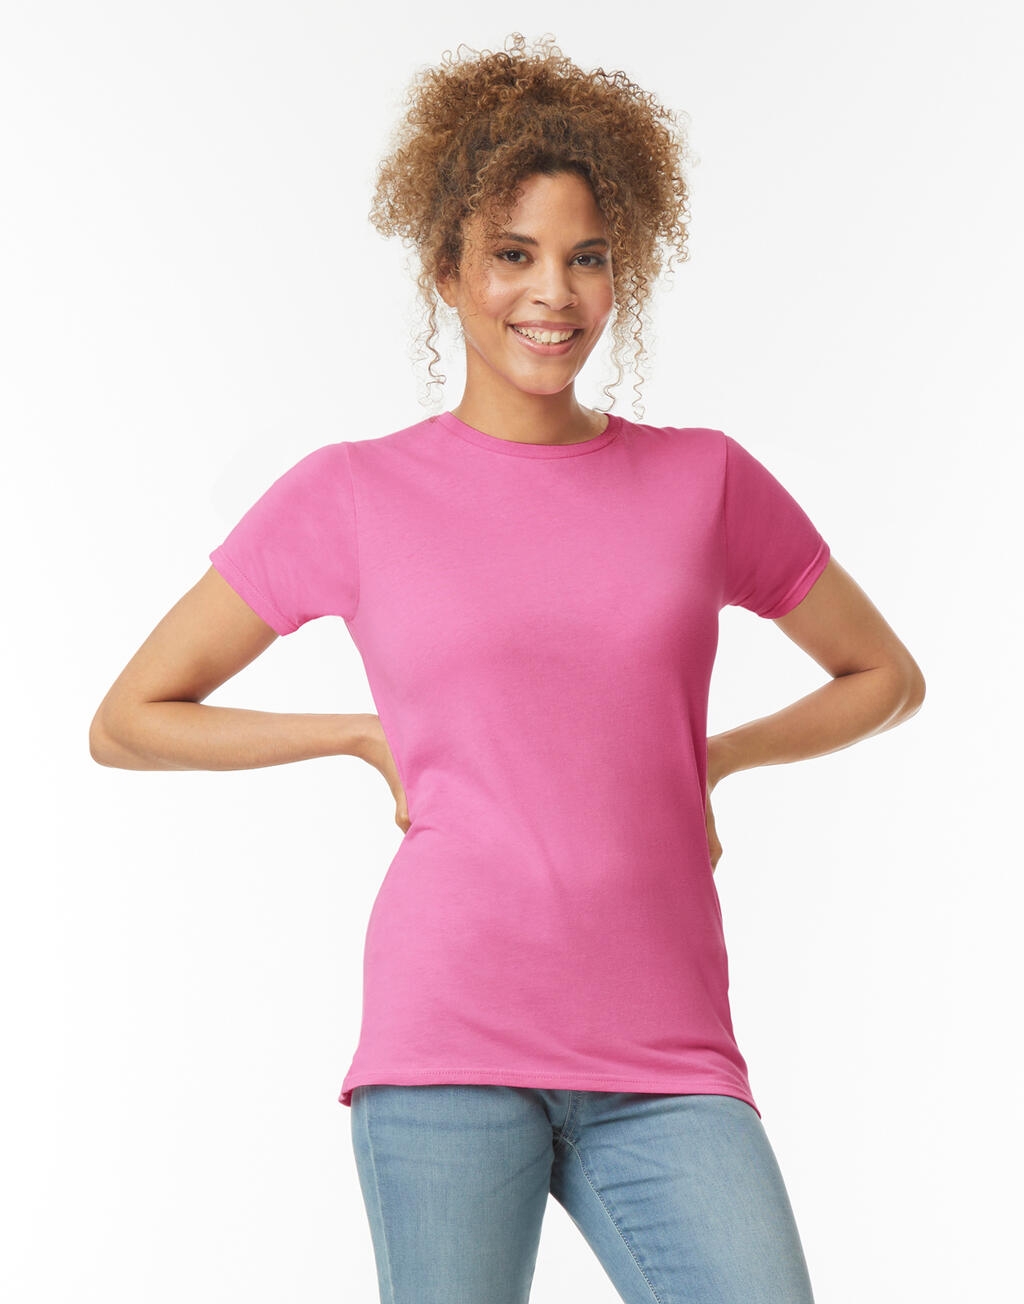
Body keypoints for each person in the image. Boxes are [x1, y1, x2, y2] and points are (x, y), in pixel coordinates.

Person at [90, 34, 925, 1304]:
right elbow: (130, 717)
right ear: (448, 269)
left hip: (667, 1050)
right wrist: (356, 733)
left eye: (588, 256)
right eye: (513, 254)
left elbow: (883, 675)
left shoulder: (702, 480)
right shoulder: (354, 493)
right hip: (448, 1037)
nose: (554, 294)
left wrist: (710, 758)